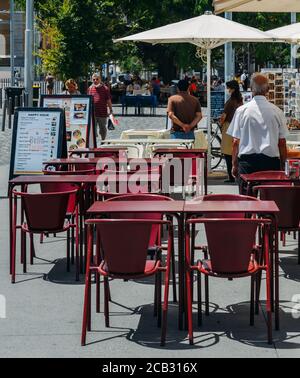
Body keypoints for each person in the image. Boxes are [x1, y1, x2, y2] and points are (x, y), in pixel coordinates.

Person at [227, 73, 288, 190]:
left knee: (247, 201)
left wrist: (234, 164)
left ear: (250, 89)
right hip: (271, 163)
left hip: (247, 163)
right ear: (268, 90)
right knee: (270, 200)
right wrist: (282, 165)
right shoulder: (277, 111)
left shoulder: (241, 111)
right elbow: (282, 143)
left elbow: (235, 142)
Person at [220, 80, 243, 183]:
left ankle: (231, 176)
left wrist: (220, 122)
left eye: (228, 88)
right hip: (238, 126)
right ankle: (237, 174)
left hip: (229, 127)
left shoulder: (230, 102)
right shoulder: (240, 100)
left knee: (227, 152)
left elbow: (223, 117)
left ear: (232, 89)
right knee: (236, 151)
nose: (227, 90)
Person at [88, 73, 113, 141]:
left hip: (102, 112)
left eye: (97, 79)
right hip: (93, 113)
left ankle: (103, 140)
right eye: (94, 79)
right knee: (93, 130)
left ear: (100, 79)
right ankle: (94, 143)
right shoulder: (90, 88)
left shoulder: (105, 88)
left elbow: (108, 100)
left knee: (102, 129)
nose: (95, 81)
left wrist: (111, 110)